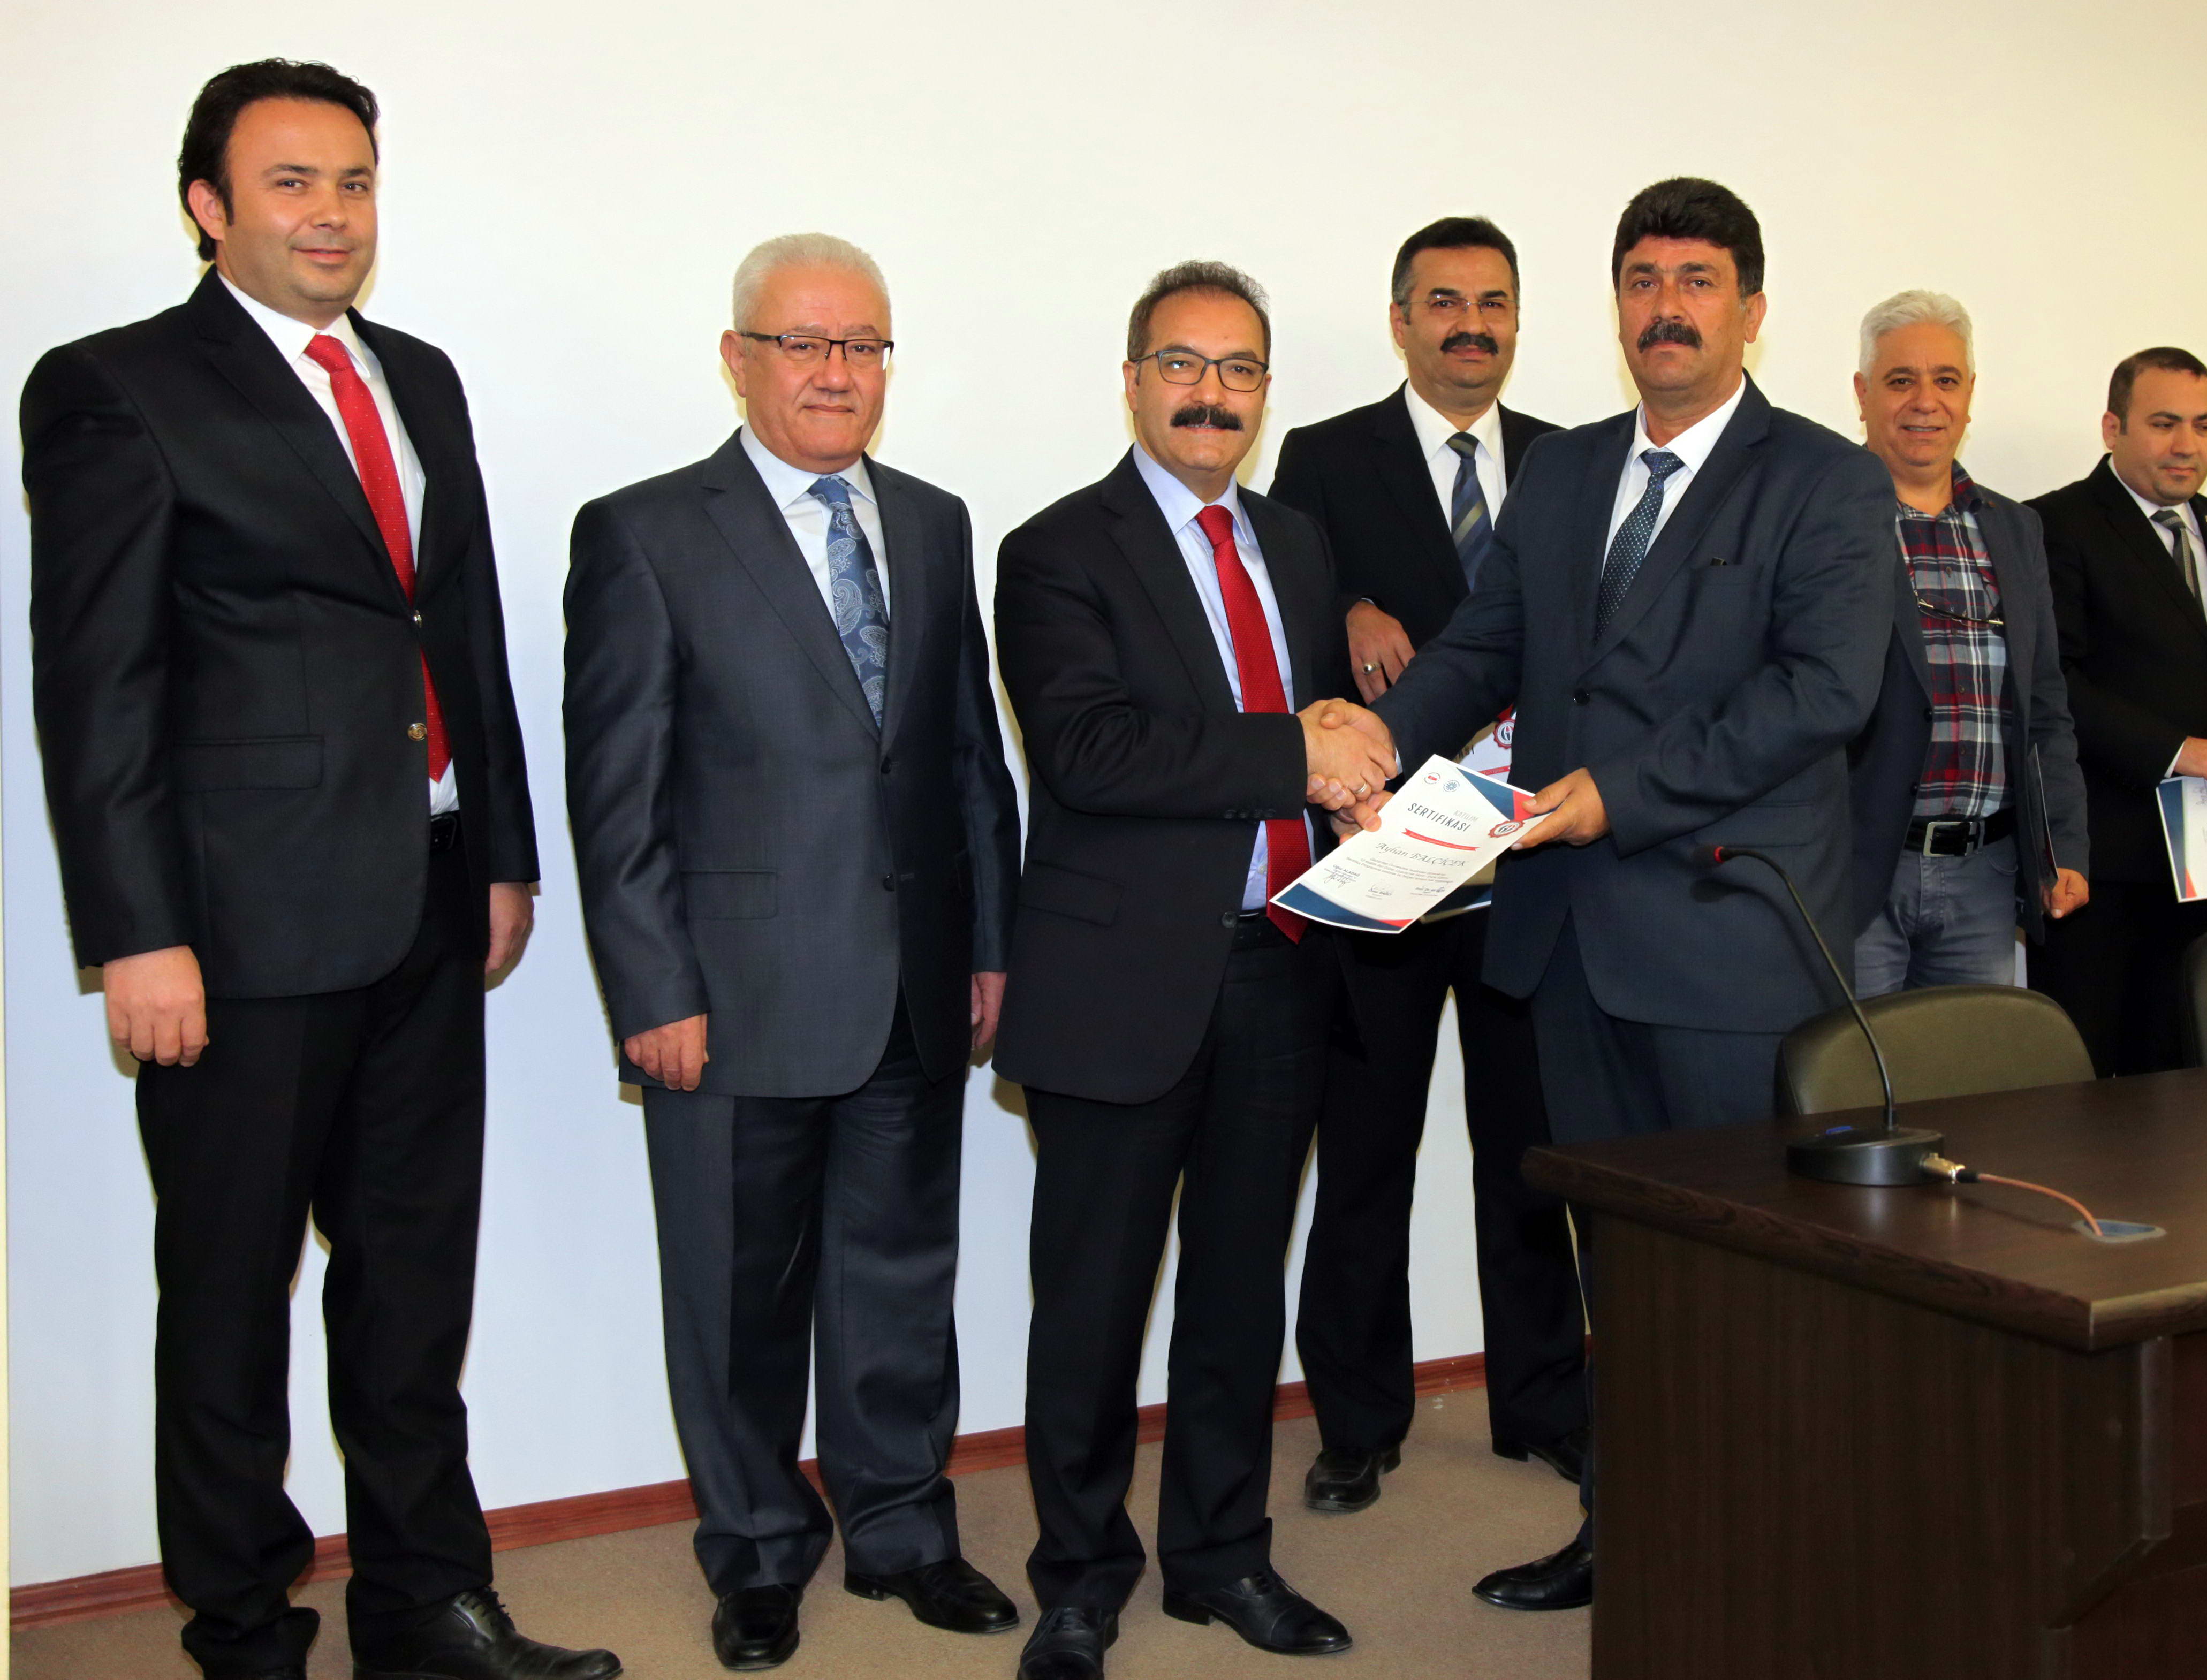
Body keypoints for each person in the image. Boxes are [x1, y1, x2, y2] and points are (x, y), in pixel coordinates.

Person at [21, 60, 616, 1680]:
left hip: (427, 902)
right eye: (290, 182)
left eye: (353, 180)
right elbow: (97, 682)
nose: (331, 212)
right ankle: (243, 1629)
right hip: (237, 930)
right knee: (229, 1301)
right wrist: (136, 933)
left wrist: (501, 853)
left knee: (414, 1285)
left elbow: (460, 624)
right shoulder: (113, 384)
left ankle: (426, 1605)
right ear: (208, 206)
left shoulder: (417, 376)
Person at [1335, 178, 1894, 1613]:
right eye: (1642, 279)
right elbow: (1485, 645)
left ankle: (1771, 1561)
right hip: (1569, 942)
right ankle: (1630, 1528)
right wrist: (1376, 740)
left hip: (1727, 946)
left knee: (1746, 1275)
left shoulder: (1821, 479)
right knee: (1622, 1276)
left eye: (1695, 280)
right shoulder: (1566, 470)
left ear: (1749, 310)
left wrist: (1613, 795)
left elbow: (1819, 694)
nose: (1665, 306)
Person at [562, 233, 1022, 1671]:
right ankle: (756, 1550)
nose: (835, 371)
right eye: (802, 343)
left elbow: (966, 757)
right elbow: (616, 790)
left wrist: (990, 942)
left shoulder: (934, 522)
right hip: (729, 996)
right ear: (737, 357)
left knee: (898, 1283)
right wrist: (652, 987)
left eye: (861, 344)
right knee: (734, 1294)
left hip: (912, 985)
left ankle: (901, 1531)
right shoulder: (644, 532)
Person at [992, 261, 1391, 1679]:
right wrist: (1296, 751)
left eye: (1237, 370)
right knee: (1092, 1306)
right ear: (1130, 381)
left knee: (1235, 1294)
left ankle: (1221, 1556)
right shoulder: (1053, 549)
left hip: (1279, 963)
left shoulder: (1293, 542)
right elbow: (1090, 750)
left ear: (1263, 393)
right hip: (1117, 987)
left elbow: (1302, 724)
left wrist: (1345, 765)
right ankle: (1079, 1578)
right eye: (1180, 364)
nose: (1209, 394)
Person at [1268, 217, 1584, 1514]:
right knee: (1364, 1151)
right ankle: (1357, 1421)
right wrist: (1341, 608)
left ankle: (1544, 1403)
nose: (1470, 324)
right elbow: (1279, 619)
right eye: (1443, 301)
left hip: (1530, 859)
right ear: (1400, 320)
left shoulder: (1572, 460)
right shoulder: (1323, 455)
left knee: (1530, 1154)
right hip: (1383, 862)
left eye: (1492, 301)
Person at [2026, 348, 2207, 1074]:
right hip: (2100, 858)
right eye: (2164, 424)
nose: (2187, 445)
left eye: (2203, 426)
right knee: (2084, 1075)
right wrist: (2181, 751)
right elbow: (2053, 683)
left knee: (2180, 1069)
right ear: (2111, 428)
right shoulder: (2055, 525)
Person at [1844, 290, 2090, 994]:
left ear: (1969, 395)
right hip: (1859, 869)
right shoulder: (1824, 517)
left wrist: (2063, 846)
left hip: (1985, 875)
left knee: (1968, 1066)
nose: (1926, 401)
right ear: (1862, 394)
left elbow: (2046, 706)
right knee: (1851, 1062)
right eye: (1900, 380)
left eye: (1945, 380)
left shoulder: (2014, 529)